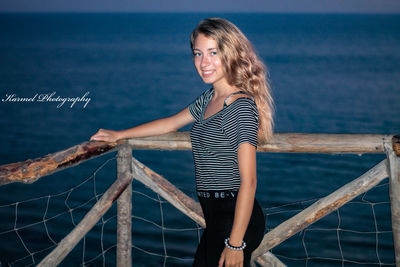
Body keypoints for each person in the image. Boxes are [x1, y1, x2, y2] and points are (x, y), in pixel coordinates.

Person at [90, 17, 274, 267]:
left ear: (230, 53)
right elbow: (171, 123)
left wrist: (235, 243)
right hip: (217, 217)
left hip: (236, 220)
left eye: (213, 52)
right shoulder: (211, 98)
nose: (203, 62)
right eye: (198, 54)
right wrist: (119, 134)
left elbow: (249, 182)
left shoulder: (238, 107)